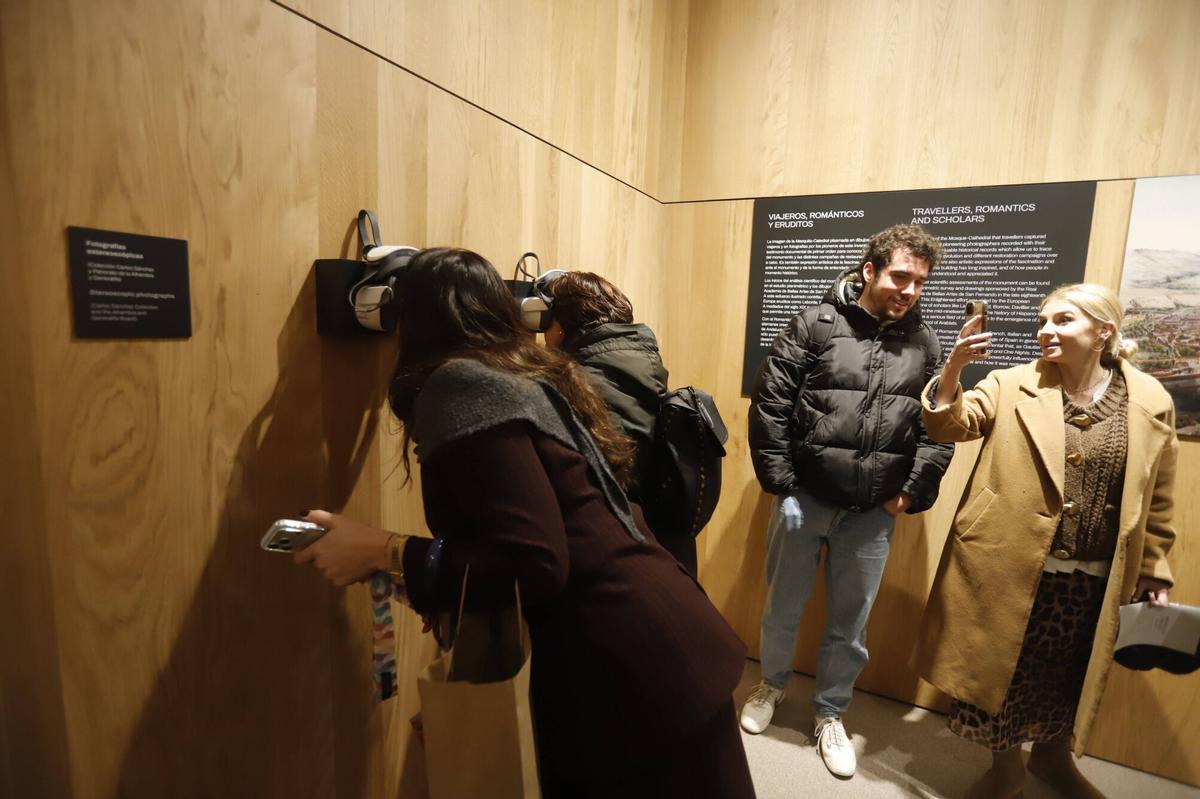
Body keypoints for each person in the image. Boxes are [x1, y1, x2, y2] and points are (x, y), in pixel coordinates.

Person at [295, 248, 755, 798]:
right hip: (658, 639)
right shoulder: (531, 372)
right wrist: (430, 578)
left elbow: (535, 563)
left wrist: (383, 551)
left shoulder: (459, 384)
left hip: (625, 671)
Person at [914, 283, 1179, 799]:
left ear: (1104, 332)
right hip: (1008, 559)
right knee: (1005, 675)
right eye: (1042, 321)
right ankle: (1006, 768)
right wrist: (953, 371)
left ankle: (1053, 762)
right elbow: (949, 425)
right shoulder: (1011, 382)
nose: (1045, 331)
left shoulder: (1151, 399)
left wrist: (1154, 568)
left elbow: (1159, 497)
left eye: (1062, 321)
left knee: (1068, 677)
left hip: (1097, 576)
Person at [743, 224, 953, 778]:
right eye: (900, 276)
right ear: (870, 271)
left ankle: (830, 712)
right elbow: (770, 407)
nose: (909, 290)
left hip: (874, 512)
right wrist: (783, 486)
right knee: (783, 606)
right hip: (805, 500)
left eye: (919, 282)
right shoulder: (815, 325)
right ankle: (771, 686)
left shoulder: (926, 344)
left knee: (850, 624)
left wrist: (910, 493)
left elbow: (939, 427)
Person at [540, 271, 696, 572]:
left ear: (562, 326)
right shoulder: (640, 363)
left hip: (607, 550)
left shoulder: (582, 382)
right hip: (655, 543)